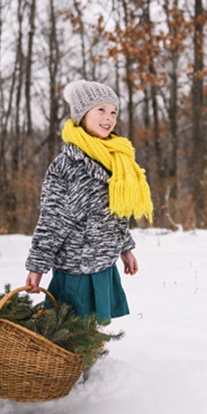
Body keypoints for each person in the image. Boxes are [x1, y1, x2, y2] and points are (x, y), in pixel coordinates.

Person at [24, 80, 153, 322]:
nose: (109, 118)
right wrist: (37, 265)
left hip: (103, 262)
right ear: (82, 115)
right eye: (100, 110)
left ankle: (90, 356)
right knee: (70, 333)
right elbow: (52, 219)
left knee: (92, 335)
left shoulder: (115, 157)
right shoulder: (69, 164)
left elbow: (115, 212)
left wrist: (126, 248)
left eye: (113, 111)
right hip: (77, 268)